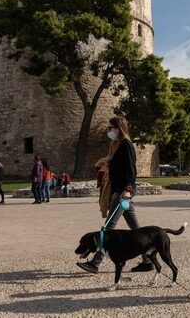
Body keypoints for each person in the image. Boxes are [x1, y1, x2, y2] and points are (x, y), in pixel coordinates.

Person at [77, 116, 154, 274]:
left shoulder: (126, 145)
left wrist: (128, 190)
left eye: (111, 128)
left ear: (118, 128)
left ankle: (95, 263)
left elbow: (131, 171)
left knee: (109, 227)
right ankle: (148, 260)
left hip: (122, 191)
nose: (108, 131)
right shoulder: (115, 145)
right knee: (136, 230)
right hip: (117, 190)